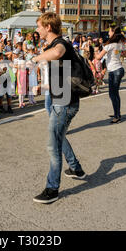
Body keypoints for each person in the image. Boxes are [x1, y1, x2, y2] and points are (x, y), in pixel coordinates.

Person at [31, 12, 86, 204]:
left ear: (48, 27)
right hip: (59, 98)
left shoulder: (60, 44)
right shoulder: (53, 45)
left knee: (52, 144)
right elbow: (59, 78)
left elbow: (57, 53)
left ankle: (52, 188)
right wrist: (44, 87)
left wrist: (35, 59)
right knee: (58, 137)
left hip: (64, 103)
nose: (37, 30)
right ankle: (75, 168)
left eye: (39, 26)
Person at [95, 26, 126, 123]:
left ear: (113, 33)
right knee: (115, 94)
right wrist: (118, 54)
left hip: (114, 71)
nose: (108, 33)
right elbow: (125, 54)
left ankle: (117, 116)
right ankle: (117, 112)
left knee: (113, 94)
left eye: (109, 31)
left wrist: (95, 51)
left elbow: (98, 57)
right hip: (118, 69)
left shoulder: (109, 45)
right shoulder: (120, 44)